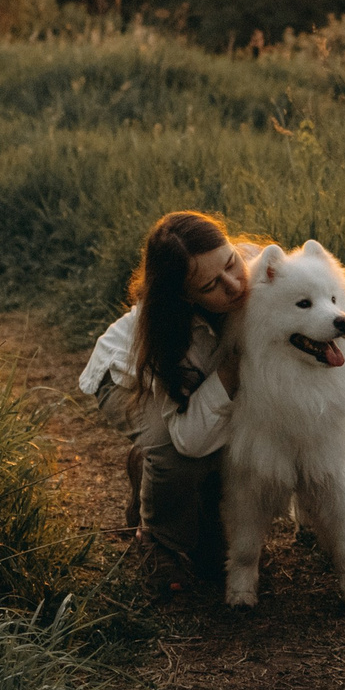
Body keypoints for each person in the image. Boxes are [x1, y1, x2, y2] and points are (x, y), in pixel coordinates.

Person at [78, 210, 258, 579]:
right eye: (211, 287)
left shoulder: (258, 267)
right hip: (126, 378)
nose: (234, 285)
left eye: (230, 262)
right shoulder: (169, 334)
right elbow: (190, 439)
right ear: (185, 296)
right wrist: (230, 369)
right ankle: (160, 540)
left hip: (196, 381)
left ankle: (190, 504)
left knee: (213, 556)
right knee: (174, 451)